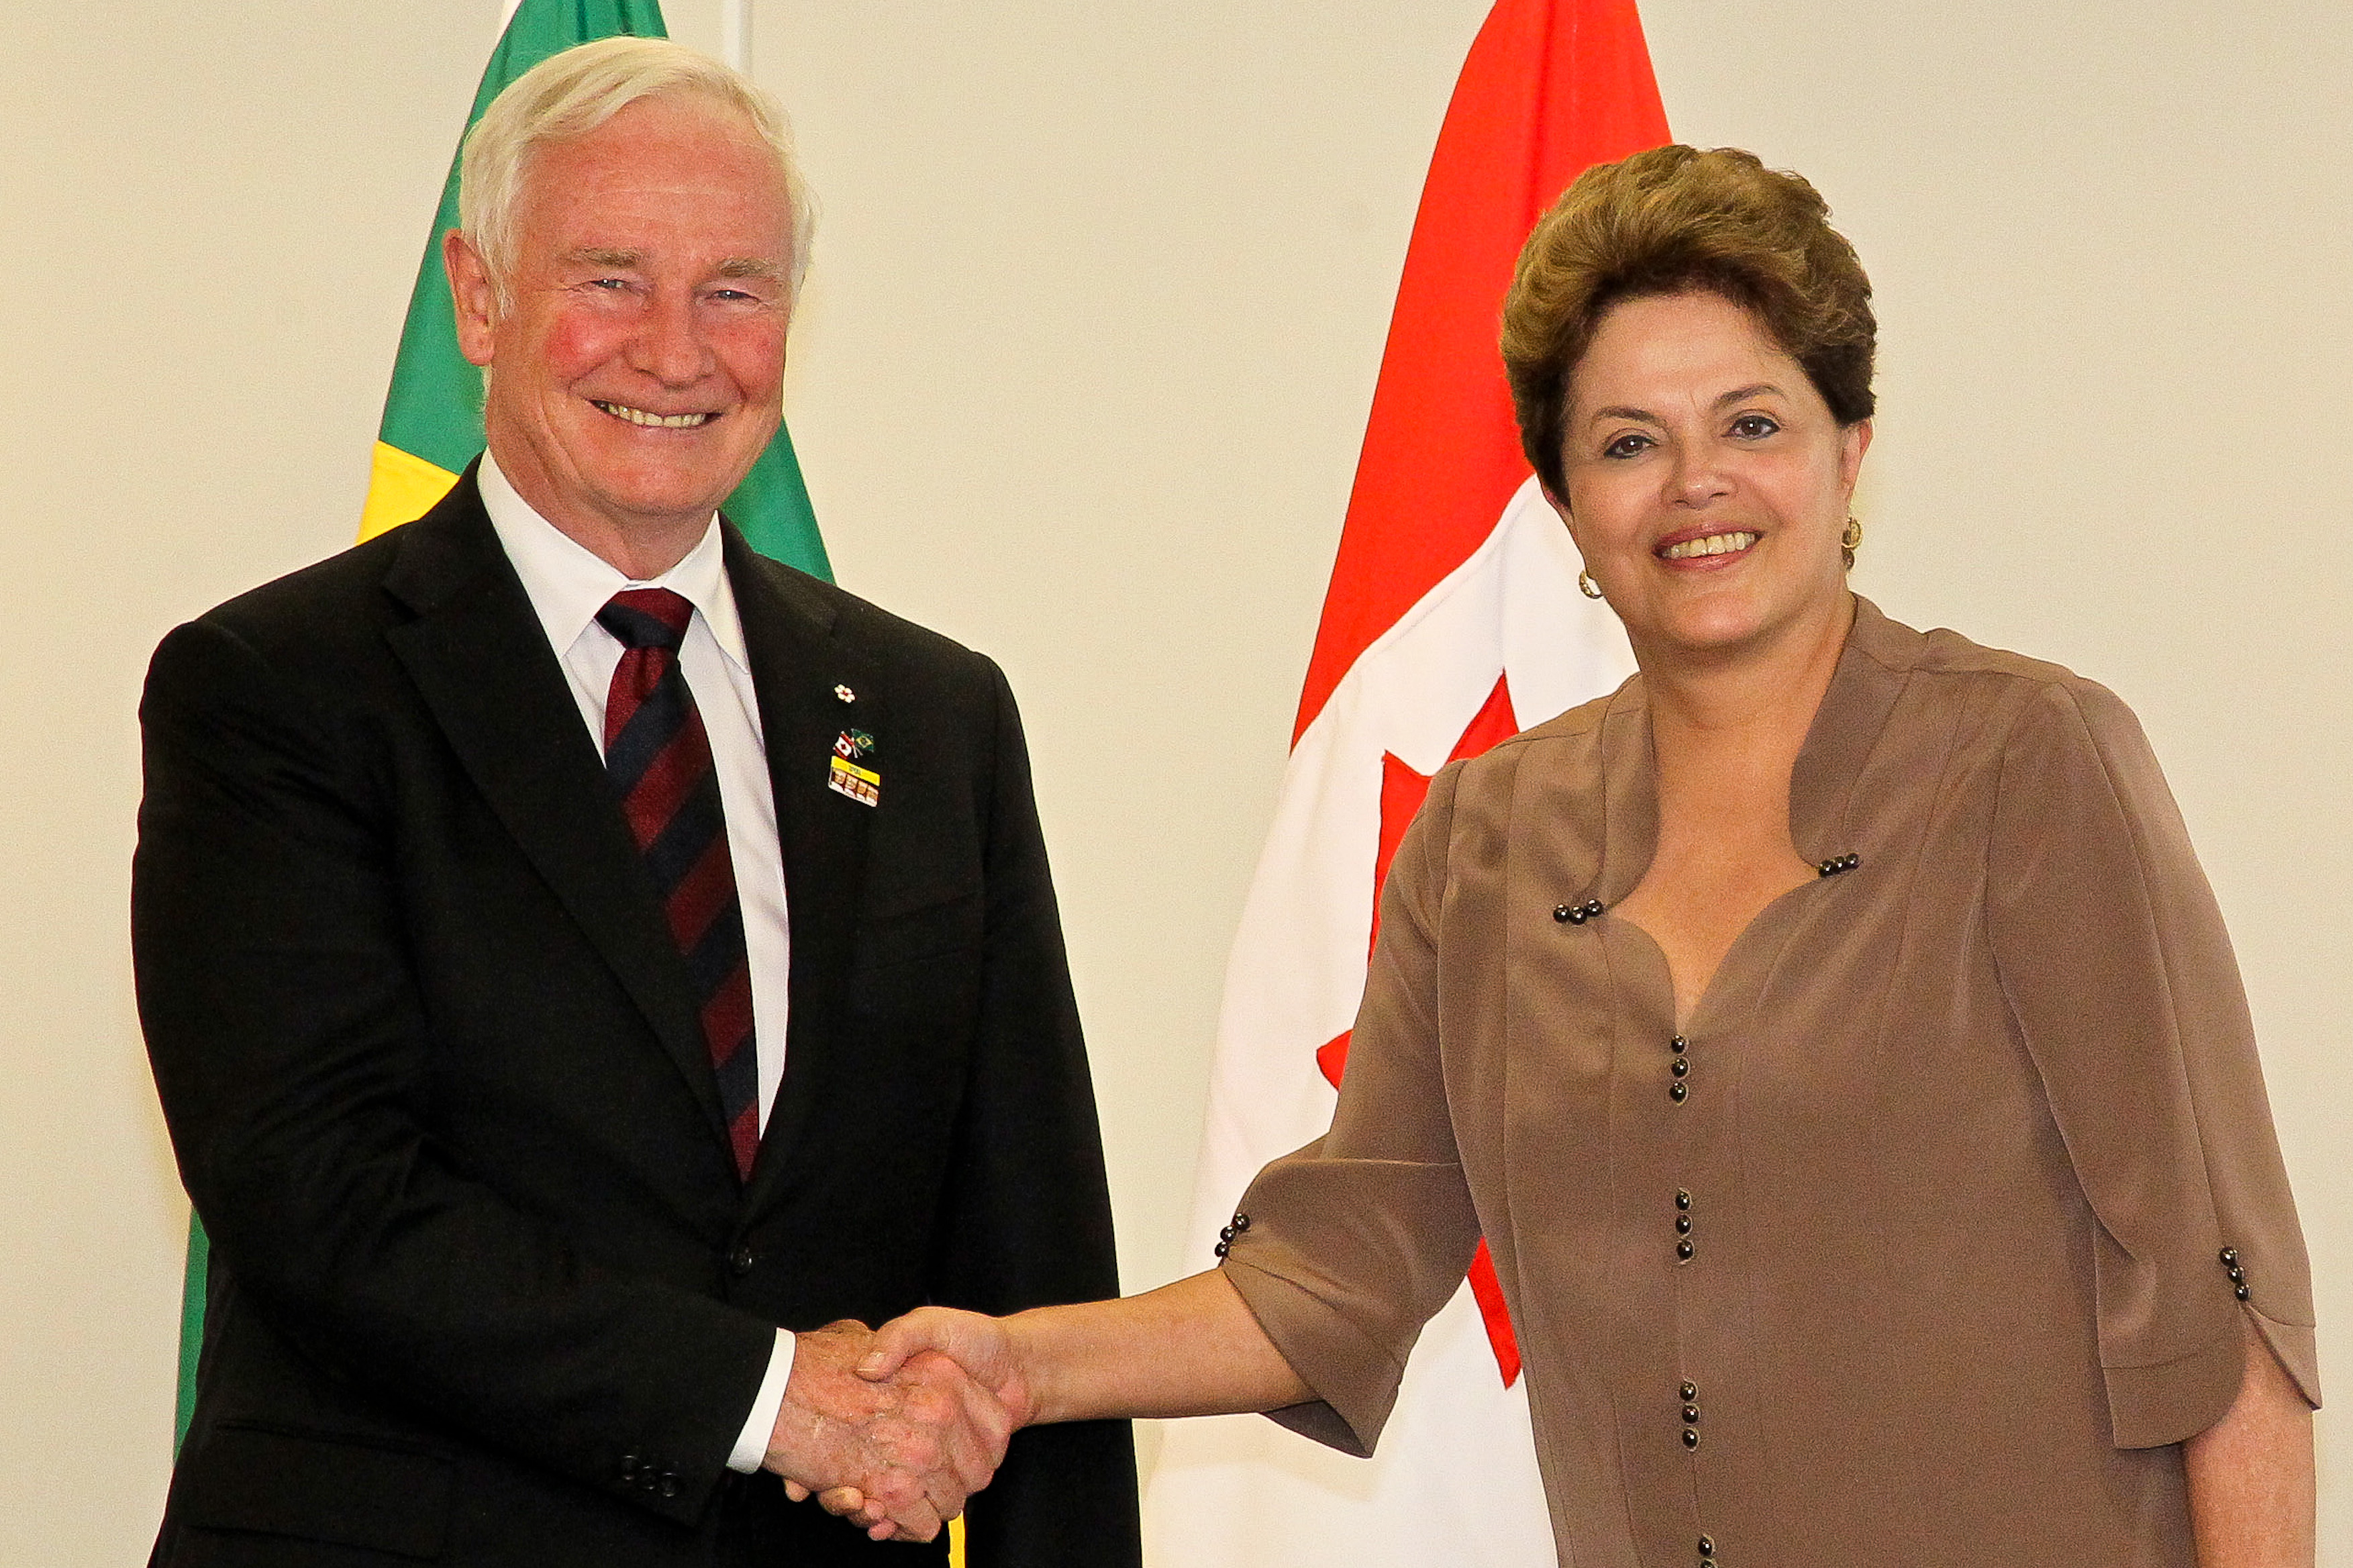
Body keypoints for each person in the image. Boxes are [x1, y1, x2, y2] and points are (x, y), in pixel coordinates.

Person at [838, 146, 2320, 1566]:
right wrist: (1016, 1363)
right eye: (1627, 443)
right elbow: (1338, 1270)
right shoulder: (1483, 839)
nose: (1695, 484)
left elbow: (2225, 1303)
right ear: (1561, 505)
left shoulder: (2026, 764)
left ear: (1850, 452)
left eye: (1751, 424)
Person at [134, 37, 1138, 1567]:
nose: (676, 353)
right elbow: (321, 1196)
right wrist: (768, 1398)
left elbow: (1029, 1259)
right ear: (479, 298)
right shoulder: (277, 691)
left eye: (735, 290)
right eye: (611, 279)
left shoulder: (936, 716)